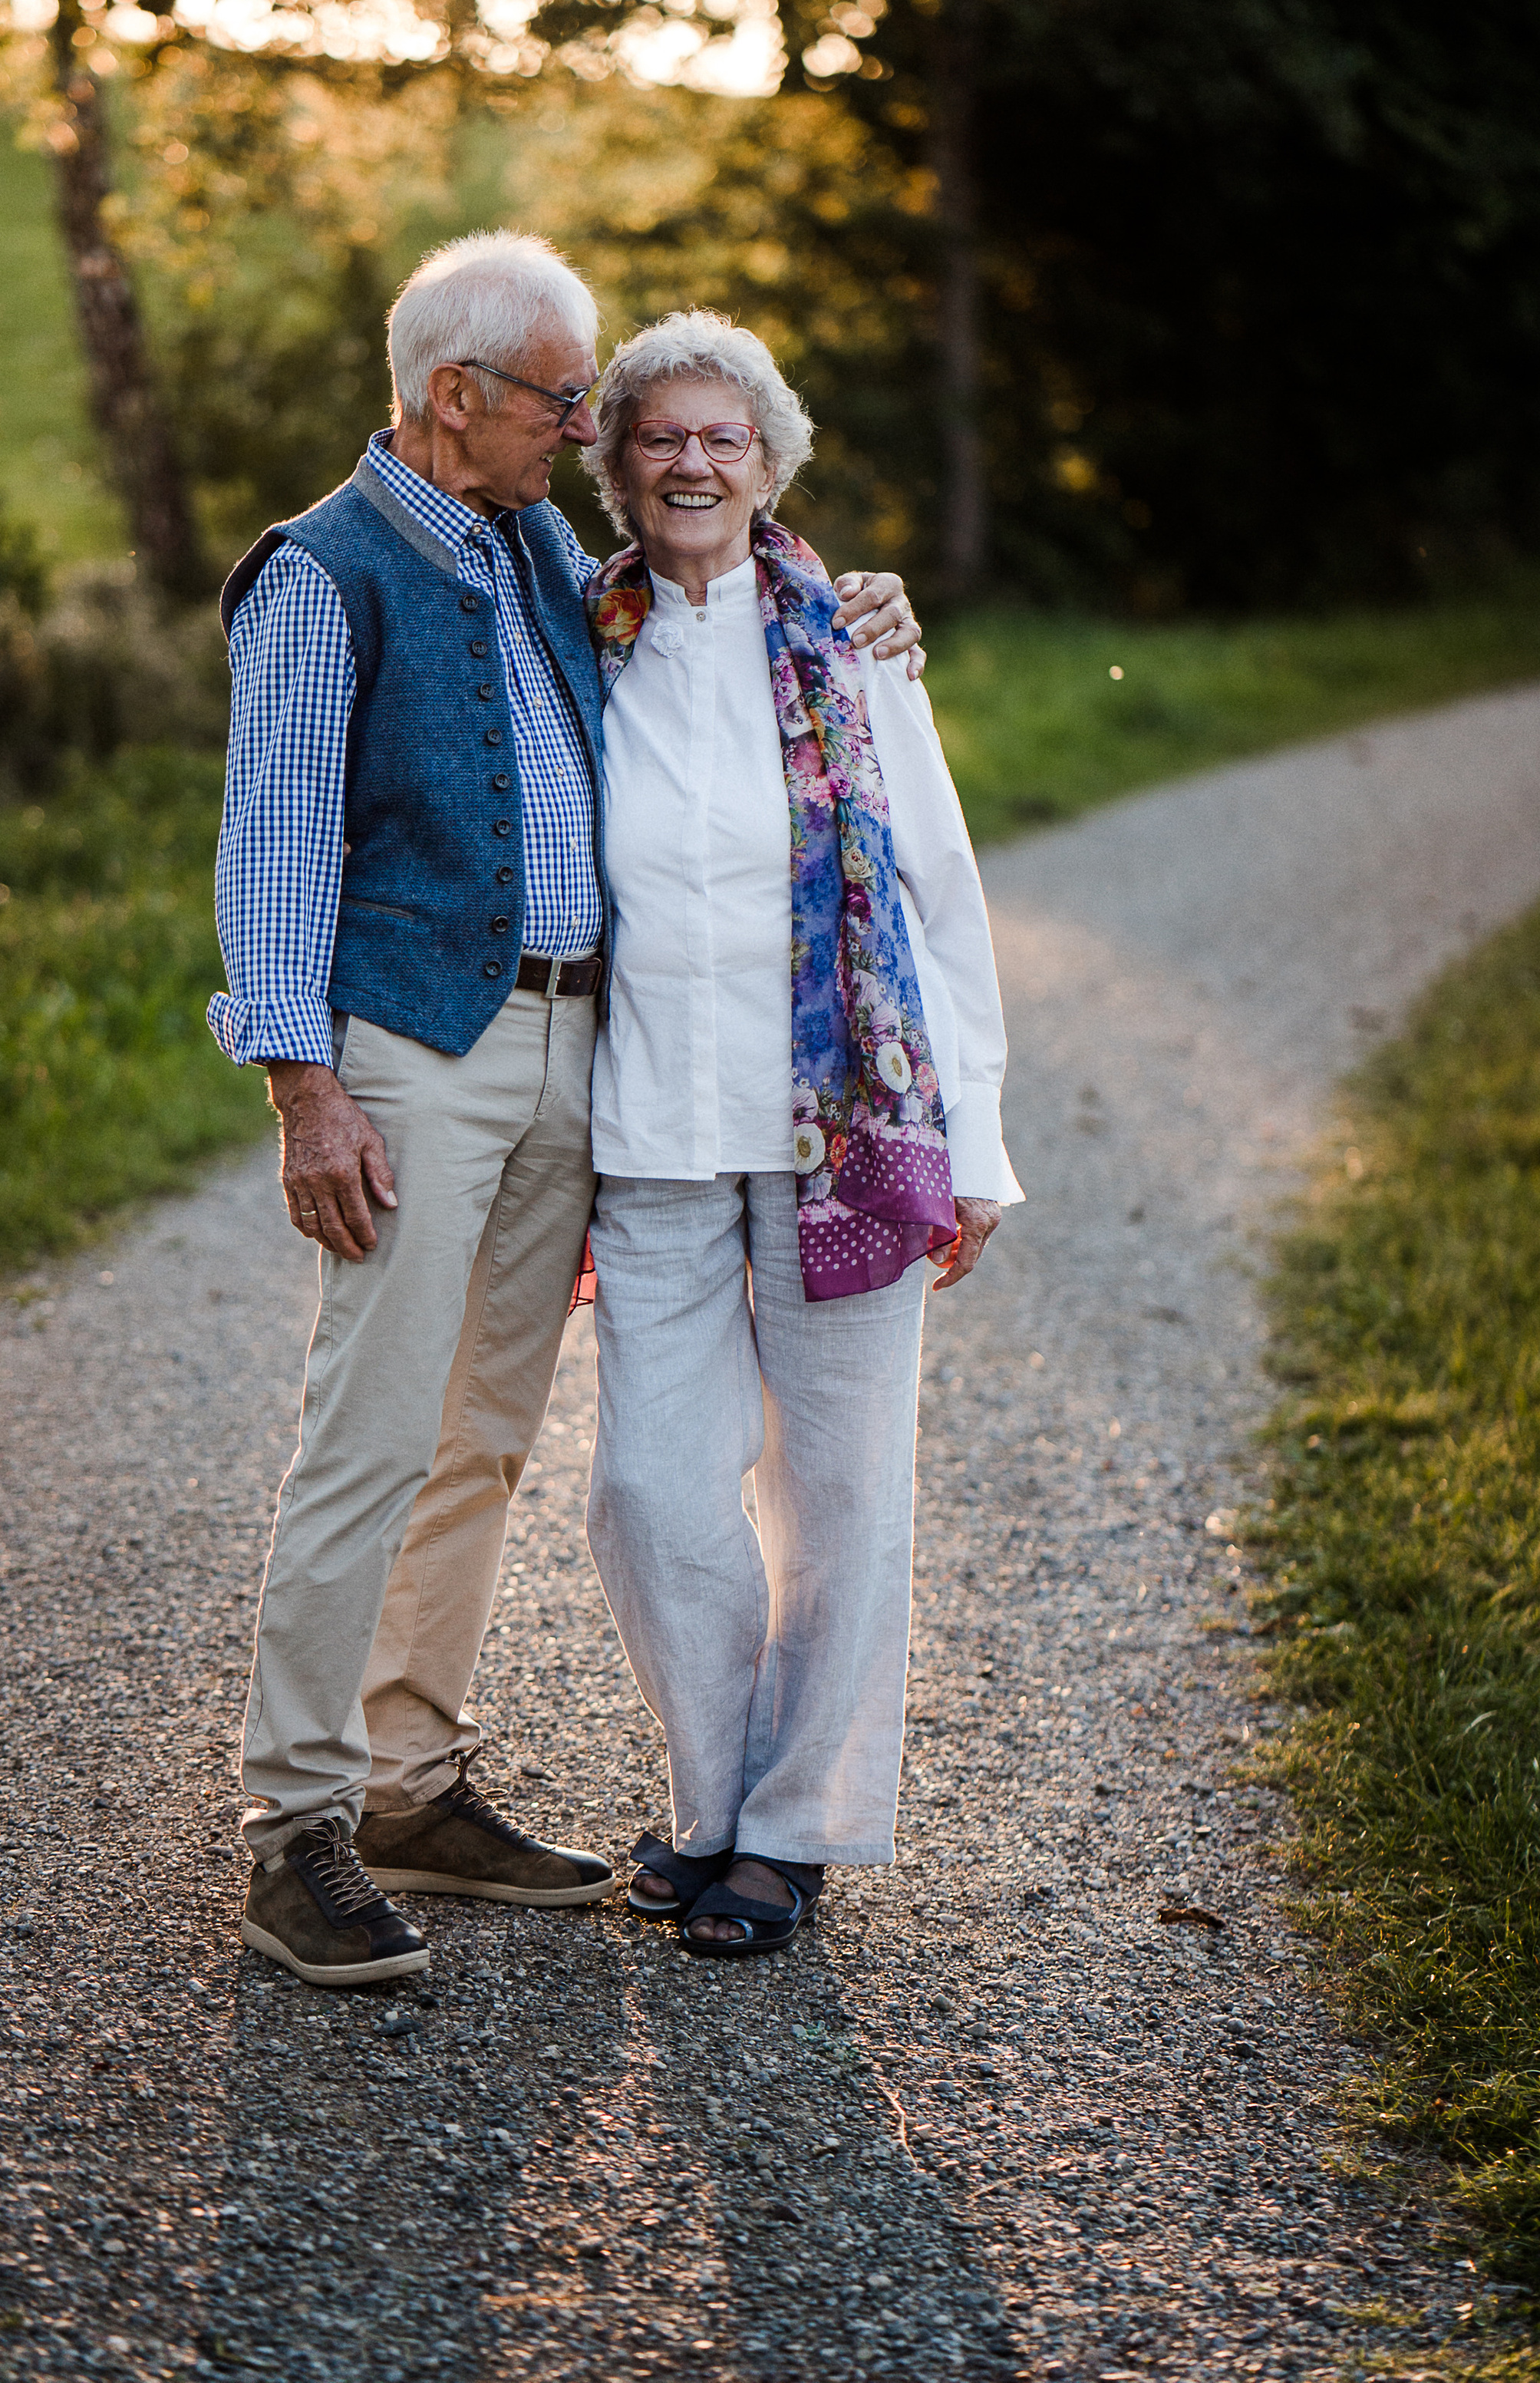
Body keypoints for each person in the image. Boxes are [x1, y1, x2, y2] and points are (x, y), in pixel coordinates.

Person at [208, 233, 924, 1988]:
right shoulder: (319, 573)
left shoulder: (542, 549)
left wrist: (861, 609)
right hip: (415, 1050)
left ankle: (407, 1778)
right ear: (455, 396)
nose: (586, 425)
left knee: (482, 1435)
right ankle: (296, 1822)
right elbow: (273, 845)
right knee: (372, 1425)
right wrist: (303, 1086)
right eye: (562, 395)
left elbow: (722, 608)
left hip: (575, 1047)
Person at [577, 312, 1024, 1957]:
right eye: (659, 437)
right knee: (647, 1488)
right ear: (616, 467)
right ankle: (710, 1796)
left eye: (723, 437)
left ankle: (789, 1830)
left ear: (767, 465)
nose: (691, 463)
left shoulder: (853, 644)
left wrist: (976, 1141)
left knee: (839, 1492)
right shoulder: (581, 641)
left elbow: (938, 895)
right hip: (649, 1126)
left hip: (845, 1131)